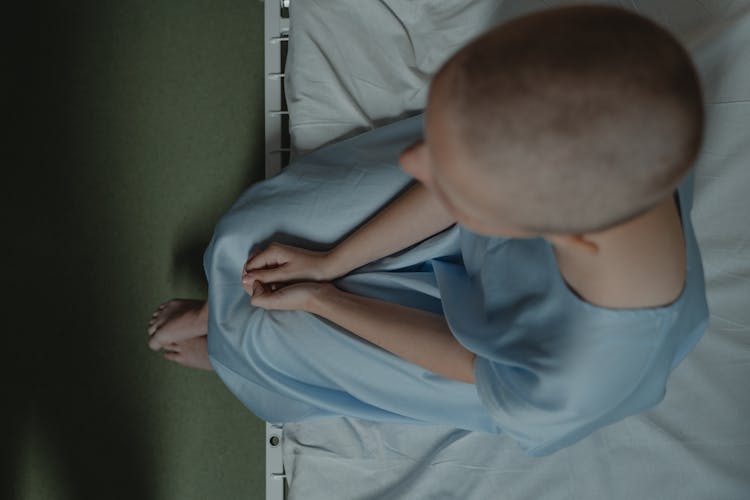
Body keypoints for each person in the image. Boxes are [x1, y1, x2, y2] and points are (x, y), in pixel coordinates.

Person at [146, 5, 708, 456]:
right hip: (489, 213)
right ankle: (230, 316)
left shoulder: (567, 380)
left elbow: (466, 363)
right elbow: (448, 175)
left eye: (444, 169)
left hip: (481, 354)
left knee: (262, 334)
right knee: (248, 241)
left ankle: (227, 342)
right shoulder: (620, 108)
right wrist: (333, 259)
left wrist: (325, 298)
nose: (415, 160)